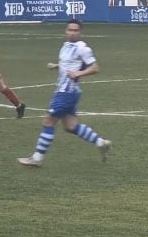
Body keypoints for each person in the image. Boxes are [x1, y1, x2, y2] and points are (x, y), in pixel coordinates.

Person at [17, 20, 111, 166]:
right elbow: (69, 63)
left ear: (80, 32)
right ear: (66, 31)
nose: (72, 33)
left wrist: (79, 73)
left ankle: (37, 158)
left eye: (75, 30)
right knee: (70, 126)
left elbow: (95, 68)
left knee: (49, 120)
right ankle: (100, 142)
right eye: (70, 30)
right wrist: (57, 66)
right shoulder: (66, 45)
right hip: (68, 92)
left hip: (66, 92)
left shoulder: (82, 48)